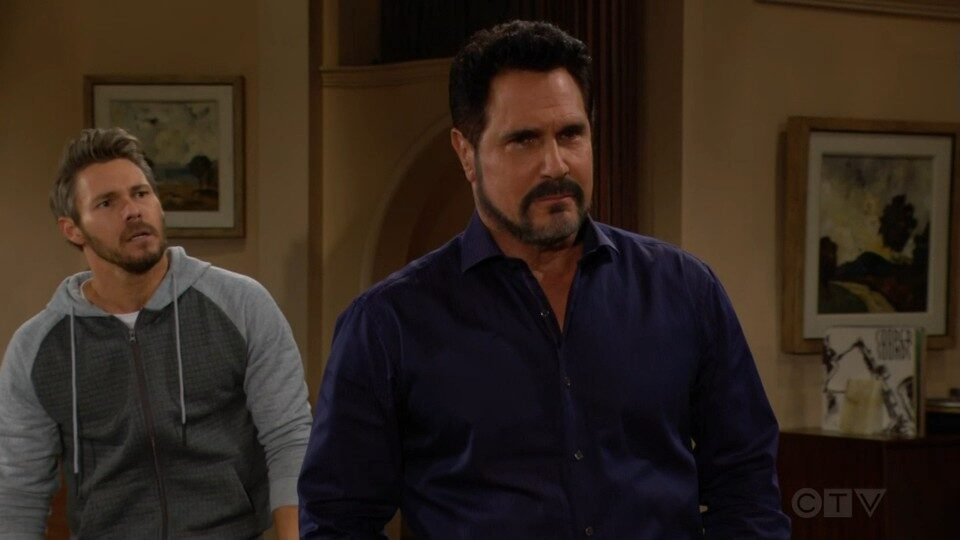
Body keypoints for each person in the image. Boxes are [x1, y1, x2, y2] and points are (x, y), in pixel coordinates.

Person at [298, 20, 790, 540]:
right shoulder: (389, 324)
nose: (555, 165)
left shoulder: (685, 292)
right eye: (524, 140)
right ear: (466, 153)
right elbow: (337, 522)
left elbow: (747, 491)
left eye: (571, 134)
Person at [0, 128, 312, 539]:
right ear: (72, 229)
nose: (133, 211)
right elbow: (19, 494)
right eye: (107, 202)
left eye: (141, 193)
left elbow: (289, 439)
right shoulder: (38, 348)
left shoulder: (241, 304)